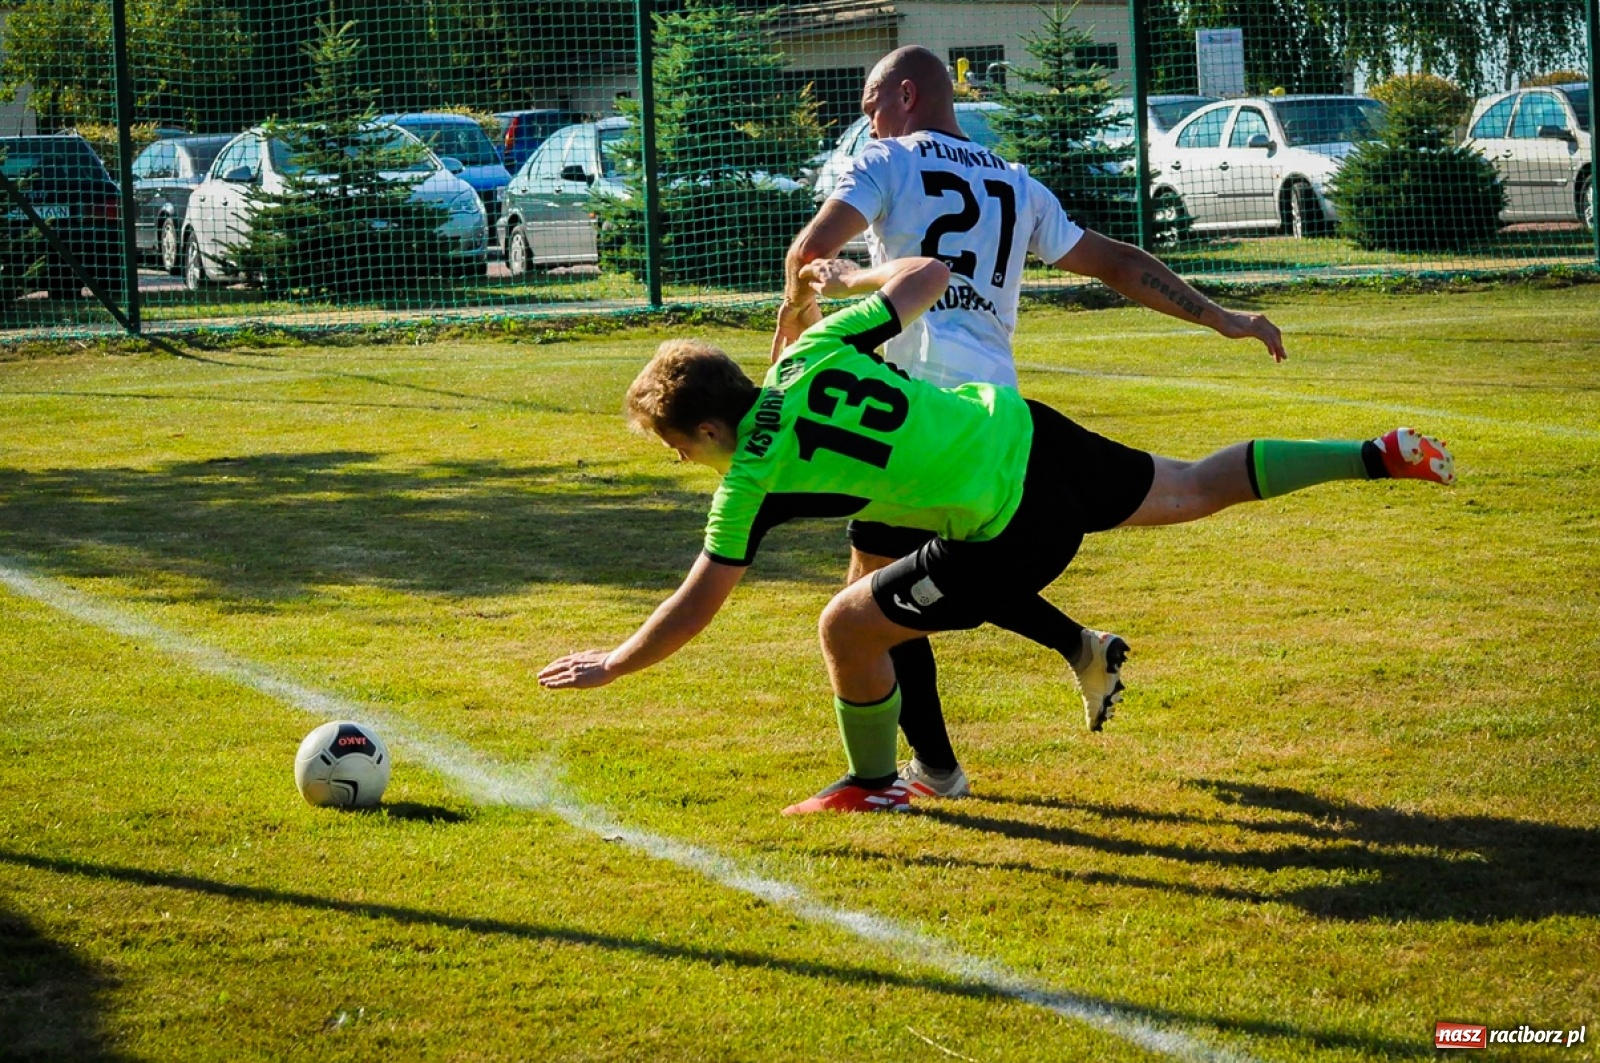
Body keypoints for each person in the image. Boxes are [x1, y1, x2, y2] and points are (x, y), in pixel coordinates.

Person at [539, 256, 1455, 815]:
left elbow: (698, 599)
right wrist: (850, 281)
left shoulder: (748, 481)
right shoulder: (811, 352)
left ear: (702, 432)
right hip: (1026, 429)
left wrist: (614, 663)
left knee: (846, 628)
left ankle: (878, 781)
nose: (688, 461)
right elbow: (930, 276)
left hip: (1014, 523)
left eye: (677, 449)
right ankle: (1372, 455)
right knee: (1193, 484)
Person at [772, 46, 1290, 800]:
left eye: (869, 106)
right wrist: (1220, 317)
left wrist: (789, 360)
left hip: (912, 414)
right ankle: (1071, 654)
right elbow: (1115, 261)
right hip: (995, 417)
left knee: (873, 598)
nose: (866, 123)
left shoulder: (886, 161)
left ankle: (927, 771)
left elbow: (809, 253)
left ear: (905, 95)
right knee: (946, 569)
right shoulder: (1014, 181)